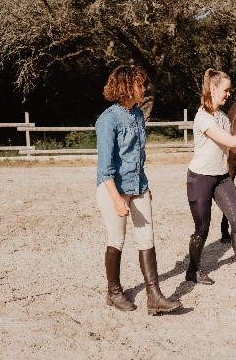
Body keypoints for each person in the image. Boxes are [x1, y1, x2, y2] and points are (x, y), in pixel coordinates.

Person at [96, 64, 182, 315]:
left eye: (143, 84)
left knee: (147, 238)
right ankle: (113, 292)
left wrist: (145, 185)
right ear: (125, 87)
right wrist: (116, 198)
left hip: (139, 186)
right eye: (139, 84)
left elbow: (138, 155)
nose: (144, 88)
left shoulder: (137, 115)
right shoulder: (107, 119)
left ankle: (154, 296)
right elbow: (104, 167)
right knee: (117, 239)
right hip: (114, 187)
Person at [185, 68, 236, 288]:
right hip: (200, 179)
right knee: (202, 228)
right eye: (226, 90)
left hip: (221, 178)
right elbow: (231, 142)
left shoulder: (222, 117)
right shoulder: (203, 117)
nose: (229, 94)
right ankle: (193, 270)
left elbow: (235, 150)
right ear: (213, 89)